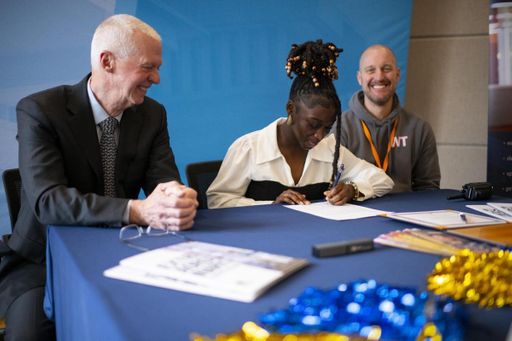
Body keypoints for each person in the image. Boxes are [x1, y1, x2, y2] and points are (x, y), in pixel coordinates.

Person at [0, 14, 198, 340]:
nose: (157, 78)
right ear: (108, 62)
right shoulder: (39, 110)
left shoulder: (152, 114)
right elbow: (48, 203)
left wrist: (177, 196)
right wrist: (138, 210)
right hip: (42, 261)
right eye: (148, 67)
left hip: (123, 249)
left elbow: (163, 180)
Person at [207, 40, 394, 208]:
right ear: (291, 109)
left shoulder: (330, 150)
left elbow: (382, 180)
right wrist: (271, 205)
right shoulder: (249, 148)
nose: (320, 135)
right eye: (313, 124)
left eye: (327, 127)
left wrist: (353, 189)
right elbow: (218, 201)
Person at [340, 45, 441, 192]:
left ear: (397, 75)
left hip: (405, 213)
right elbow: (332, 185)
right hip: (357, 211)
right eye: (371, 70)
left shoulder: (419, 129)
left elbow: (428, 189)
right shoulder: (341, 127)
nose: (379, 77)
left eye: (386, 69)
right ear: (360, 78)